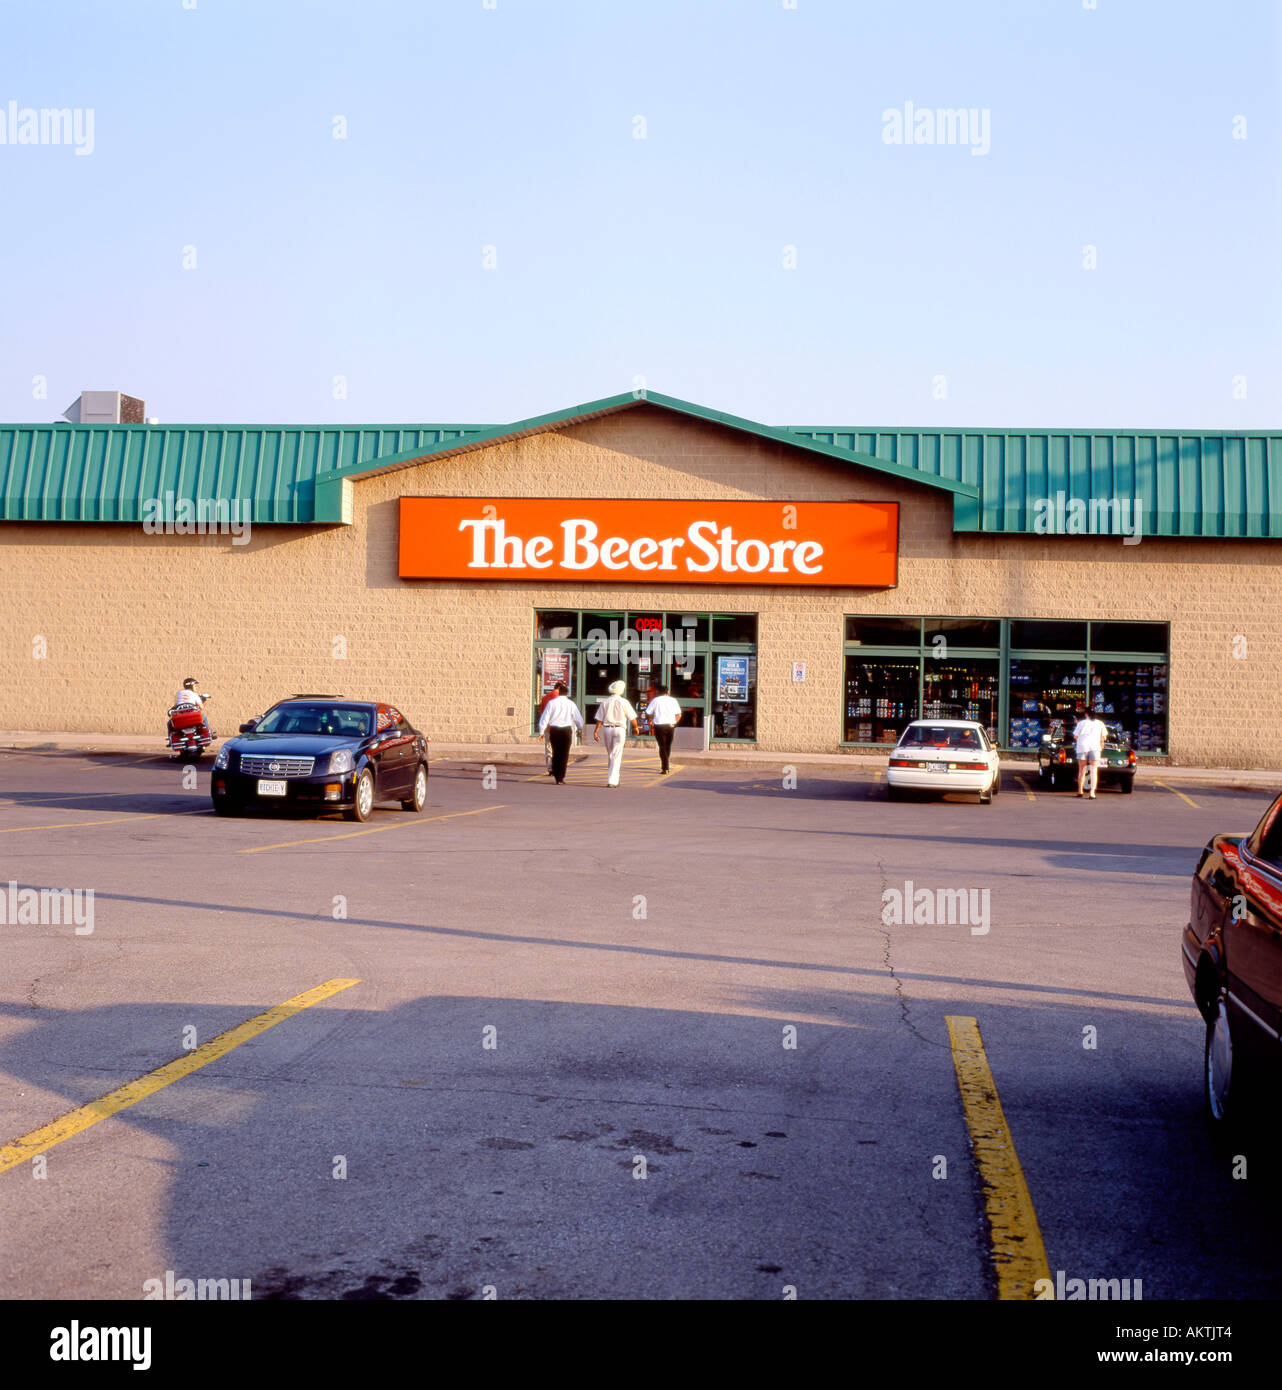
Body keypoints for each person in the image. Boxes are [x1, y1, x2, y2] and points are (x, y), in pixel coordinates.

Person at [593, 679, 639, 788]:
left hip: (607, 729)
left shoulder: (605, 702)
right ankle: (613, 780)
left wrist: (596, 732)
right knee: (616, 755)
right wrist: (636, 727)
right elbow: (632, 717)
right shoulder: (624, 702)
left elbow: (599, 719)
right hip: (619, 729)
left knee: (610, 754)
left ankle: (613, 777)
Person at [537, 682, 582, 785]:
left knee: (556, 753)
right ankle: (561, 776)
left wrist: (541, 731)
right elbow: (578, 718)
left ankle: (556, 775)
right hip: (566, 730)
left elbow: (545, 717)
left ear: (558, 692)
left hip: (554, 730)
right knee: (564, 754)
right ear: (567, 694)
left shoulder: (551, 703)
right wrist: (579, 728)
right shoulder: (571, 704)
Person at [645, 683, 683, 775]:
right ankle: (666, 765)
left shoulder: (655, 700)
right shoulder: (673, 700)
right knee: (668, 745)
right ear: (667, 692)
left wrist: (650, 720)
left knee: (662, 746)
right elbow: (679, 714)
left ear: (658, 692)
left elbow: (648, 712)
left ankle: (665, 767)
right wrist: (674, 723)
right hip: (670, 725)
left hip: (659, 725)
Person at [1073, 707, 1108, 798]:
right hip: (1095, 747)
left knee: (1082, 770)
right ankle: (1092, 792)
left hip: (1082, 747)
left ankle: (1080, 791)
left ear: (1086, 714)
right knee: (1094, 771)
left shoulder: (1081, 723)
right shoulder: (1100, 723)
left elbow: (1075, 737)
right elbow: (1104, 737)